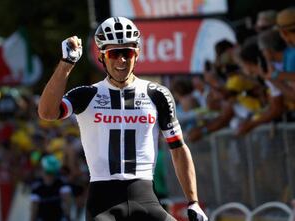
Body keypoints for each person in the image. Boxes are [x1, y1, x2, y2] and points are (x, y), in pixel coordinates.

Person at [38, 16, 208, 221]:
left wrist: (193, 202)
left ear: (137, 54)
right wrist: (66, 64)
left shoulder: (157, 94)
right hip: (103, 205)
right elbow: (47, 113)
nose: (121, 60)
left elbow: (178, 149)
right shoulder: (87, 95)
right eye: (114, 53)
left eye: (127, 52)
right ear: (102, 57)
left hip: (146, 199)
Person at [30, 154, 72, 221]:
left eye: (52, 173)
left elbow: (67, 203)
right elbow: (34, 209)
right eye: (48, 173)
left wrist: (68, 217)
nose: (50, 177)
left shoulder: (62, 183)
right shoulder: (36, 187)